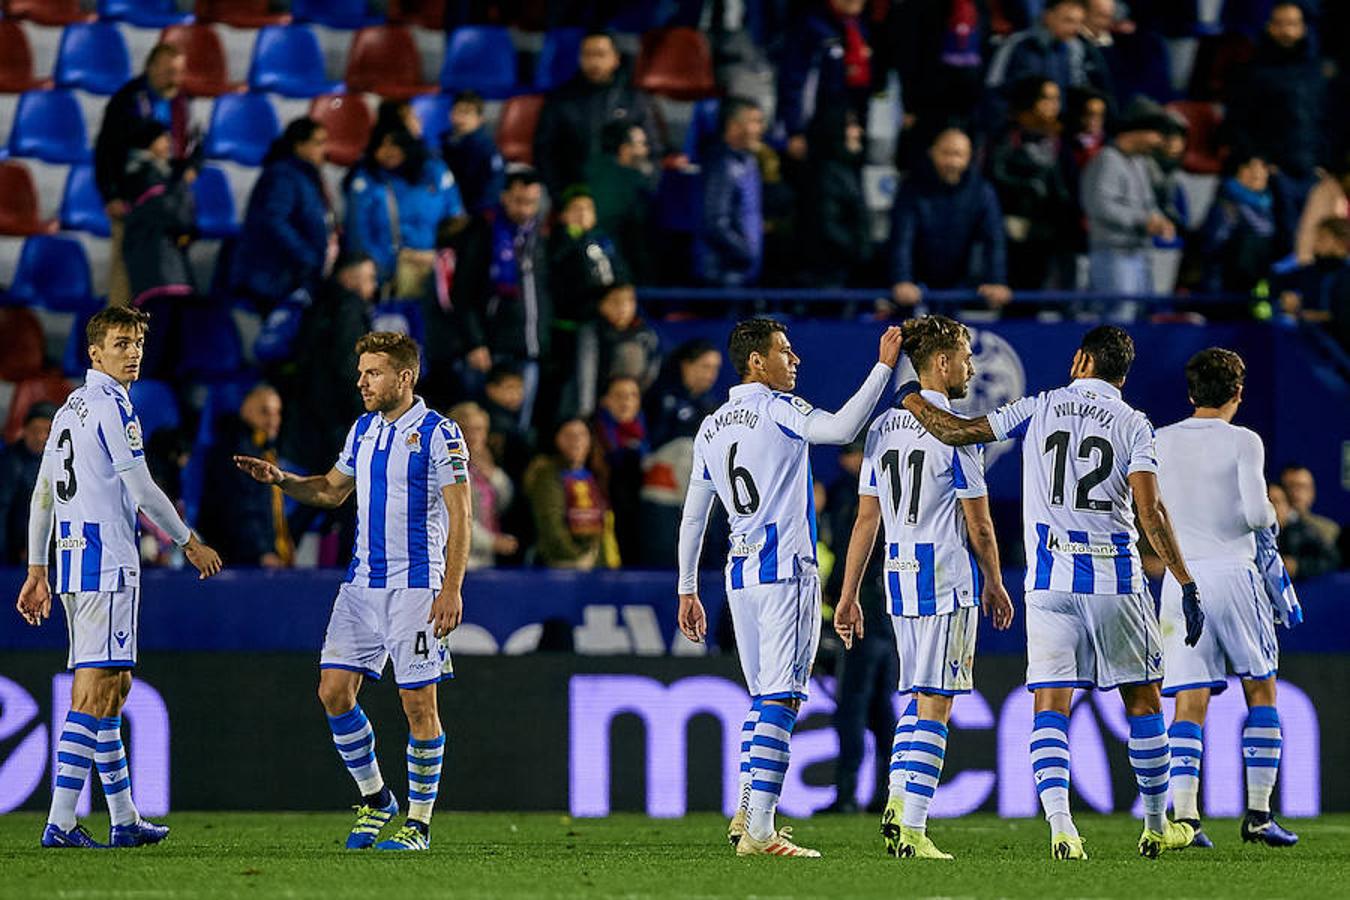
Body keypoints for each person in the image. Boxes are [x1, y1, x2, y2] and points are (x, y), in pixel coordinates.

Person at [896, 324, 1204, 859]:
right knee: (1143, 700)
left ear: (1082, 359)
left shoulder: (1039, 406)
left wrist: (910, 400)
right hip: (1116, 579)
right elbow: (1150, 510)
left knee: (1050, 706)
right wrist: (1184, 580)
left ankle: (1062, 827)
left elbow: (958, 432)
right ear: (1122, 374)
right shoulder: (1135, 423)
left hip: (1049, 581)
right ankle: (1157, 825)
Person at [676, 319, 904, 858]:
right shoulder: (781, 410)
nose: (795, 359)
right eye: (784, 351)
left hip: (740, 575)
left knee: (762, 700)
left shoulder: (711, 425)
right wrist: (884, 366)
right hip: (786, 575)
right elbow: (846, 427)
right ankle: (759, 832)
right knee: (781, 699)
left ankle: (746, 813)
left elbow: (694, 515)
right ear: (757, 362)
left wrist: (687, 588)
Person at [234, 332, 470, 852]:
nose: (361, 381)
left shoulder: (439, 433)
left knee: (418, 706)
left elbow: (461, 514)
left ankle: (420, 823)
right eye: (361, 371)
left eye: (373, 372)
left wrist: (451, 588)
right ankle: (376, 798)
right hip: (361, 586)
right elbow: (330, 489)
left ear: (404, 378)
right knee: (333, 692)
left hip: (415, 588)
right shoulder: (363, 429)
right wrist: (281, 480)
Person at [16, 307, 222, 849]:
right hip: (106, 562)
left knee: (116, 686)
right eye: (121, 343)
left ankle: (124, 817)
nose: (132, 352)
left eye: (137, 342)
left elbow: (42, 496)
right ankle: (60, 822)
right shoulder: (112, 407)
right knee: (95, 691)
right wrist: (188, 540)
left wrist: (39, 569)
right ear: (95, 352)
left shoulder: (69, 409)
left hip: (73, 561)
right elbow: (142, 488)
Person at [833, 315, 1013, 858]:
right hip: (945, 575)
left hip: (898, 574)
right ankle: (913, 826)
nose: (971, 366)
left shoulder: (884, 427)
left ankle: (895, 800)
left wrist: (846, 594)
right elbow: (978, 523)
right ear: (941, 363)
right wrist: (995, 581)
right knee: (937, 703)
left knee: (916, 697)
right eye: (964, 357)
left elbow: (868, 519)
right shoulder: (955, 429)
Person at [1153, 348, 1299, 849]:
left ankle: (1188, 820)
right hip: (1234, 574)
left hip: (1181, 578)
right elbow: (1259, 514)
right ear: (1238, 393)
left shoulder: (1160, 439)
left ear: (1191, 392)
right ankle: (1258, 815)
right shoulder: (1244, 440)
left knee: (1188, 703)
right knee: (1261, 689)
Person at [818, 436, 895, 817]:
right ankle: (886, 794)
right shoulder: (893, 486)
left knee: (851, 705)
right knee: (881, 710)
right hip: (888, 612)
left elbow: (855, 547)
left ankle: (846, 794)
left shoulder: (851, 493)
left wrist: (835, 593)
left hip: (860, 609)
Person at [94, 43, 190, 308]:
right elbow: (105, 151)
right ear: (151, 68)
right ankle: (118, 344)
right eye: (169, 72)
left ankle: (152, 344)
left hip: (166, 203)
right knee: (125, 275)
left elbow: (183, 145)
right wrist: (111, 194)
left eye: (179, 72)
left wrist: (190, 168)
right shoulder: (126, 100)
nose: (175, 79)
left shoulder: (180, 101)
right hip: (131, 201)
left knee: (161, 277)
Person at [456, 169, 552, 428]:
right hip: (490, 349)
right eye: (519, 201)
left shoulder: (538, 237)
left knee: (519, 428)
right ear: (505, 197)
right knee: (479, 428)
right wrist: (474, 341)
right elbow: (463, 293)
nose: (525, 209)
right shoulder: (482, 232)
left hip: (527, 348)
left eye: (531, 202)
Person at [1224, 2, 1327, 232]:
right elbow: (1238, 122)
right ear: (1269, 27)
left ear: (1303, 28)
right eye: (1280, 24)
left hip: (1313, 171)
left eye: (1292, 24)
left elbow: (1327, 120)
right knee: (1282, 240)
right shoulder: (1252, 72)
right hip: (1274, 173)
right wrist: (1256, 158)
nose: (1287, 31)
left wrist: (1326, 161)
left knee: (1312, 240)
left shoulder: (1316, 73)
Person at [279, 252, 378, 481]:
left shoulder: (318, 303)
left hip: (315, 412)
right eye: (369, 277)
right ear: (350, 278)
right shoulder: (349, 308)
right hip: (339, 416)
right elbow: (348, 364)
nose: (374, 285)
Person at [888, 128, 1011, 309]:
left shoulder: (982, 192)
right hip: (917, 281)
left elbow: (994, 238)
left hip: (962, 280)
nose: (952, 162)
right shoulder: (912, 189)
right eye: (946, 153)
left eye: (959, 155)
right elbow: (902, 239)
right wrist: (902, 279)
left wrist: (996, 280)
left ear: (970, 157)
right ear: (932, 153)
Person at [344, 120, 466, 299]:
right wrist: (386, 268)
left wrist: (441, 260)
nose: (388, 152)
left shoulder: (435, 172)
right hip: (388, 277)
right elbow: (358, 233)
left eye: (395, 145)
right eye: (381, 145)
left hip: (436, 270)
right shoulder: (365, 181)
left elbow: (456, 220)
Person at [533, 29, 659, 198]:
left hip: (624, 193)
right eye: (587, 55)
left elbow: (652, 151)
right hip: (576, 194)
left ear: (615, 59)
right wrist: (562, 196)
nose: (594, 61)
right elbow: (545, 154)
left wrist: (643, 186)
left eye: (600, 54)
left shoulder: (635, 101)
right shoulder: (560, 100)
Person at [231, 118, 333, 315]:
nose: (325, 149)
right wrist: (307, 256)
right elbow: (274, 221)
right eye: (318, 143)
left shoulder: (305, 176)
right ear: (299, 146)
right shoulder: (283, 176)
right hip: (274, 277)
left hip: (291, 275)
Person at [121, 120, 198, 380]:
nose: (168, 144)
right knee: (156, 351)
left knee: (170, 352)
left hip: (164, 272)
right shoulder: (144, 175)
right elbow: (174, 215)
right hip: (157, 273)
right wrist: (183, 180)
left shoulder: (155, 174)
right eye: (161, 139)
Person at [1081, 100, 1175, 300]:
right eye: (1156, 133)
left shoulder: (1139, 162)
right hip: (1112, 253)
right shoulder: (1107, 159)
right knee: (1119, 315)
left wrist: (1158, 220)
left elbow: (1148, 203)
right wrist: (1142, 221)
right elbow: (1100, 205)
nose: (1159, 141)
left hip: (1138, 251)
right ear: (1138, 130)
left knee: (1137, 314)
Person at [989, 78, 1076, 289]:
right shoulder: (1008, 136)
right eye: (1047, 99)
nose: (1054, 105)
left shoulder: (1060, 139)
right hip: (1014, 228)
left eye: (1057, 99)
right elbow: (995, 174)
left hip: (1049, 231)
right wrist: (1027, 186)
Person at [197, 385, 293, 568]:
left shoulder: (263, 449)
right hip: (236, 562)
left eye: (277, 413)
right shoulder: (238, 452)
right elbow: (241, 508)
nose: (273, 420)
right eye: (265, 412)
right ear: (246, 411)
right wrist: (262, 553)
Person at [983, 0, 1115, 131]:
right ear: (1048, 16)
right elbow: (993, 86)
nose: (1075, 29)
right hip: (1014, 130)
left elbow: (1075, 89)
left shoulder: (1074, 50)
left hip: (1054, 132)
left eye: (1079, 22)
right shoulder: (1017, 44)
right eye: (1068, 21)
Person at [777, 0, 875, 161]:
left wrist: (854, 120)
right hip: (816, 127)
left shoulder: (859, 29)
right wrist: (795, 129)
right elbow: (794, 80)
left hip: (847, 126)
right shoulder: (811, 27)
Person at [694, 98, 766, 288]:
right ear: (733, 126)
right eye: (754, 121)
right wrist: (746, 252)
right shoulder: (721, 165)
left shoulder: (749, 162)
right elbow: (715, 222)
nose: (760, 129)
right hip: (721, 273)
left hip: (743, 272)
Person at [523, 418, 610, 570]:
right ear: (556, 439)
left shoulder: (594, 474)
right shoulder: (546, 475)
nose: (575, 441)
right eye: (568, 435)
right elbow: (550, 525)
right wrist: (576, 557)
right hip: (559, 564)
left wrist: (597, 560)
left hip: (593, 563)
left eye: (582, 435)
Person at [799, 107, 870, 288]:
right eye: (851, 125)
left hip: (841, 275)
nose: (858, 132)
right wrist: (860, 251)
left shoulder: (845, 170)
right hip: (826, 279)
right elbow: (826, 226)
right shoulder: (825, 174)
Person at [448, 401, 518, 570]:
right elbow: (456, 516)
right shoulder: (448, 466)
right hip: (458, 561)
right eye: (466, 429)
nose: (473, 436)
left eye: (479, 429)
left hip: (484, 560)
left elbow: (504, 502)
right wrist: (492, 542)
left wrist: (493, 474)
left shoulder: (484, 465)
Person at [574, 283, 660, 420]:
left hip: (633, 407)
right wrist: (586, 411)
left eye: (630, 301)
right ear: (601, 304)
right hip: (597, 406)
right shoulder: (593, 331)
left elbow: (652, 368)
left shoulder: (645, 333)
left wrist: (633, 396)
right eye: (615, 301)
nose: (623, 308)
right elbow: (586, 373)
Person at [585, 120, 655, 284]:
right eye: (641, 144)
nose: (646, 150)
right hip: (616, 268)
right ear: (625, 149)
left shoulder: (585, 169)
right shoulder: (632, 181)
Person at [1199, 151, 1277, 295]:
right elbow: (1214, 246)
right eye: (1259, 168)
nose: (1264, 174)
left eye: (1265, 169)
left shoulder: (1266, 204)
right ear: (1243, 171)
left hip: (1257, 284)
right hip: (1227, 288)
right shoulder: (1227, 205)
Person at [591, 375, 648, 565]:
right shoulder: (591, 438)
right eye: (619, 396)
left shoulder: (646, 437)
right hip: (601, 528)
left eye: (633, 396)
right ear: (604, 400)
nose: (626, 402)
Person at [0, 402, 55, 564]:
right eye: (35, 430)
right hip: (19, 554)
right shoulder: (10, 464)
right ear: (23, 431)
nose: (40, 437)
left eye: (47, 431)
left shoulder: (64, 463)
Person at [645, 339, 723, 449]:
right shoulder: (661, 394)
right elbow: (655, 440)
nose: (712, 374)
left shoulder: (708, 403)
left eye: (716, 368)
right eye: (705, 366)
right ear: (686, 365)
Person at [442, 90, 505, 216]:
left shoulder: (486, 149)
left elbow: (493, 188)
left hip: (475, 214)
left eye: (467, 113)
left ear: (480, 118)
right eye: (458, 111)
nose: (461, 118)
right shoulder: (446, 143)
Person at [1268, 483, 1340, 579]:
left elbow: (1332, 559)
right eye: (1268, 502)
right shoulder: (1249, 537)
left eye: (1277, 502)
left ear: (1288, 507)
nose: (1272, 508)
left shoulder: (1302, 532)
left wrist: (1297, 566)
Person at [1279, 464, 1341, 553]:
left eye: (1302, 487)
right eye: (1291, 486)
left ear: (1312, 492)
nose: (1296, 493)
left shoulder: (1329, 530)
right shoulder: (1269, 528)